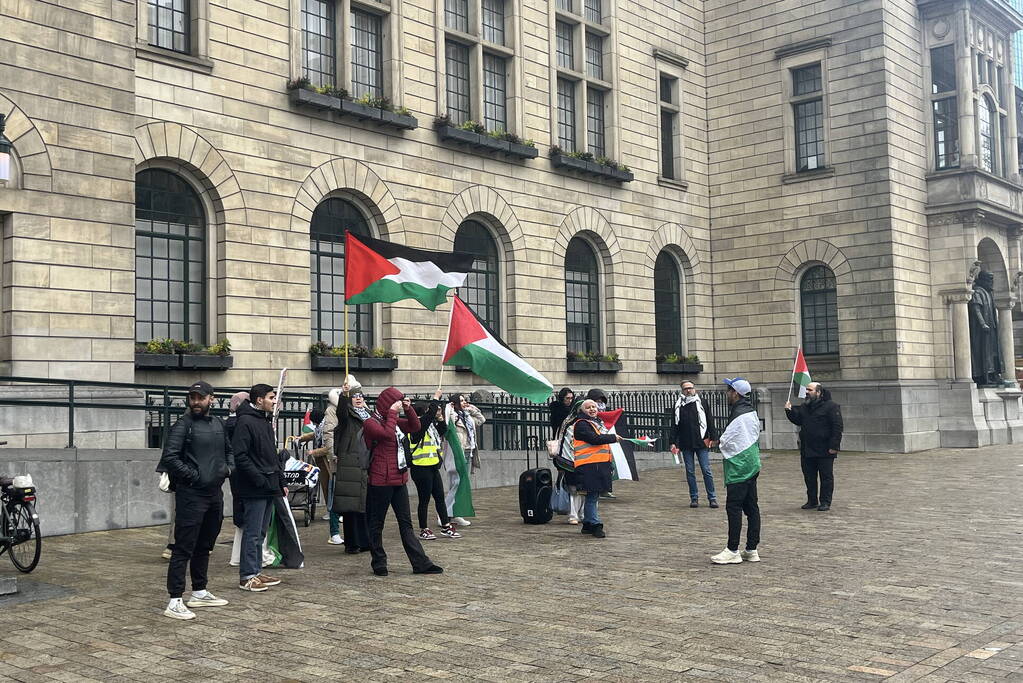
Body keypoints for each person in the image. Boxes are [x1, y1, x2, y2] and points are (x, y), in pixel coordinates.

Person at [158, 381, 233, 620]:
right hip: (191, 494)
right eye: (192, 398)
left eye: (200, 398)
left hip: (214, 494)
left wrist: (228, 469)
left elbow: (229, 450)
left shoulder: (219, 424)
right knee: (183, 547)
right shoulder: (183, 425)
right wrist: (194, 476)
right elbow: (170, 457)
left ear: (212, 398)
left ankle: (199, 591)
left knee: (205, 544)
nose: (195, 402)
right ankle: (175, 599)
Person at [363, 386, 443, 576]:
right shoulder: (370, 422)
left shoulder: (395, 420)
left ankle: (420, 563)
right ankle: (379, 563)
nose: (398, 405)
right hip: (380, 480)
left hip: (399, 478)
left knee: (405, 523)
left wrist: (409, 410)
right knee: (376, 523)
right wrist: (392, 412)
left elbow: (415, 427)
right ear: (386, 404)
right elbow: (386, 434)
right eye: (395, 402)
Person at [232, 383, 285, 592]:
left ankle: (255, 570)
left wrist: (280, 482)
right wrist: (259, 479)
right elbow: (241, 456)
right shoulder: (245, 422)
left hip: (268, 485)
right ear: (259, 400)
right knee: (252, 532)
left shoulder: (264, 421)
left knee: (261, 532)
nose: (275, 401)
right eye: (271, 397)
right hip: (255, 487)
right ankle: (247, 576)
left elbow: (270, 454)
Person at [711, 378, 762, 565]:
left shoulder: (739, 413)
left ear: (736, 393)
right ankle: (751, 549)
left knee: (734, 508)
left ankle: (733, 550)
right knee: (752, 508)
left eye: (728, 390)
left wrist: (717, 443)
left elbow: (728, 440)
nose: (727, 393)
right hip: (752, 464)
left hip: (740, 468)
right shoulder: (751, 411)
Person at [408, 391, 461, 540]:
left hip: (432, 466)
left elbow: (442, 430)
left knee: (439, 497)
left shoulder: (429, 427)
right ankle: (424, 529)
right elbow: (428, 417)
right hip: (420, 467)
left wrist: (440, 418)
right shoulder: (416, 426)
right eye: (427, 411)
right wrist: (436, 398)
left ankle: (445, 526)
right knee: (424, 499)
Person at [784, 382, 843, 512]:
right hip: (807, 448)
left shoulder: (831, 407)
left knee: (826, 477)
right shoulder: (805, 406)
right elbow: (798, 419)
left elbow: (837, 427)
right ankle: (812, 500)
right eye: (806, 390)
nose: (806, 392)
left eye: (809, 390)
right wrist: (789, 411)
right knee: (809, 476)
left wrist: (834, 446)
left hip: (825, 449)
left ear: (818, 392)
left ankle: (825, 501)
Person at [332, 377, 372, 554]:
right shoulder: (347, 416)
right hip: (350, 465)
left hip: (366, 464)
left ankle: (365, 541)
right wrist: (343, 394)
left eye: (361, 396)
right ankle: (352, 543)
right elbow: (341, 413)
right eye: (355, 396)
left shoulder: (369, 415)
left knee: (364, 505)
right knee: (350, 506)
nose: (358, 398)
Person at [572, 399, 622, 538]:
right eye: (588, 407)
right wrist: (613, 437)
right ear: (582, 411)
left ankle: (588, 524)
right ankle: (595, 524)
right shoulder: (582, 424)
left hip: (598, 465)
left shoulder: (596, 423)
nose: (592, 409)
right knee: (593, 496)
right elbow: (594, 439)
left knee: (593, 496)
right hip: (589, 466)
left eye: (594, 406)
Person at [670, 381, 719, 508]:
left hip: (701, 441)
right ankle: (694, 497)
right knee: (690, 471)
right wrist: (673, 442)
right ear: (682, 391)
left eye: (690, 388)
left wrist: (713, 437)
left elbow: (709, 420)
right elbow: (675, 426)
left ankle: (712, 497)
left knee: (706, 470)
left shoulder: (702, 402)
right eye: (685, 389)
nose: (688, 390)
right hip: (686, 442)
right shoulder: (678, 405)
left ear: (694, 389)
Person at [303, 403, 341, 544]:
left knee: (331, 487)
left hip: (328, 462)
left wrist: (314, 452)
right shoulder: (321, 426)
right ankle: (330, 511)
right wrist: (301, 438)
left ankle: (337, 514)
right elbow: (314, 435)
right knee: (325, 487)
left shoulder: (327, 425)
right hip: (321, 462)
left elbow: (327, 446)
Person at [446, 393, 485, 526]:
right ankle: (445, 514)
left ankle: (456, 513)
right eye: (461, 400)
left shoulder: (467, 417)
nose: (464, 402)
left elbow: (481, 419)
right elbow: (446, 417)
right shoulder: (452, 416)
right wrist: (450, 407)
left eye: (465, 400)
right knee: (456, 483)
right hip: (458, 453)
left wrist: (471, 408)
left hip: (469, 452)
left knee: (462, 484)